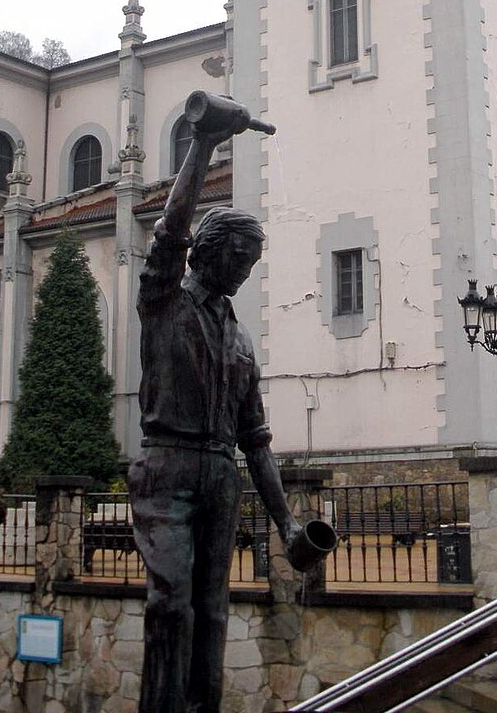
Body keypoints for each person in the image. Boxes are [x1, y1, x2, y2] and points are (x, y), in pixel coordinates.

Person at [128, 99, 323, 713]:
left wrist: (286, 521)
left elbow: (256, 441)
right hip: (167, 470)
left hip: (220, 477)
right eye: (239, 259)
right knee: (171, 606)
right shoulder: (164, 301)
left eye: (252, 263)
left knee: (213, 611)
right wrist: (205, 144)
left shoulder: (239, 339)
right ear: (208, 252)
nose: (245, 272)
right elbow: (168, 234)